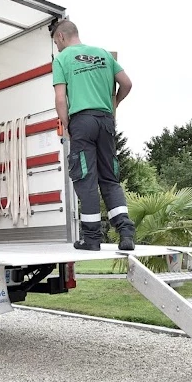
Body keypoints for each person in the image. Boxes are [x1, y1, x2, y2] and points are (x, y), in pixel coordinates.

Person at [50, 19, 136, 251]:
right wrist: (113, 103)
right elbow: (126, 84)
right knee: (109, 178)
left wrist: (67, 126)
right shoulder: (104, 55)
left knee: (86, 179)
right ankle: (126, 233)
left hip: (82, 122)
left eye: (56, 43)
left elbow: (60, 99)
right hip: (105, 121)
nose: (57, 47)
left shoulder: (62, 59)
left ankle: (92, 239)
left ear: (60, 37)